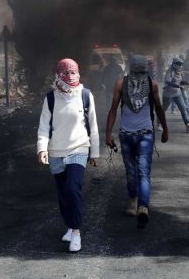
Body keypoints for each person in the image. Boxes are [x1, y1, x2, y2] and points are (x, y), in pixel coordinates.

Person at [37, 58, 100, 252]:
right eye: (66, 72)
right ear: (58, 74)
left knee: (73, 189)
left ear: (78, 73)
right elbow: (43, 127)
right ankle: (70, 226)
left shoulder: (86, 95)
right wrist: (42, 149)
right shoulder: (51, 98)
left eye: (73, 72)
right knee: (63, 194)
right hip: (56, 151)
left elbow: (93, 126)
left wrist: (94, 152)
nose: (70, 76)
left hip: (79, 149)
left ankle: (76, 233)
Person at [105, 54, 169, 228]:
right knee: (142, 172)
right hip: (143, 134)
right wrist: (165, 130)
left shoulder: (123, 83)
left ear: (130, 67)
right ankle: (139, 204)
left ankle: (138, 205)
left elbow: (113, 109)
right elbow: (159, 109)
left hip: (130, 134)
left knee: (134, 171)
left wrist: (108, 134)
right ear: (145, 68)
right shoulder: (151, 84)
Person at [162, 57, 189, 132]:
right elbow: (167, 82)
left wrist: (186, 83)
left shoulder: (179, 71)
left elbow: (179, 81)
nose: (180, 65)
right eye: (178, 64)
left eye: (180, 64)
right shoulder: (170, 71)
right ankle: (158, 123)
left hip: (177, 93)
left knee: (183, 108)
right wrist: (178, 86)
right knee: (163, 110)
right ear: (174, 64)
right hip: (168, 94)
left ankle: (188, 126)